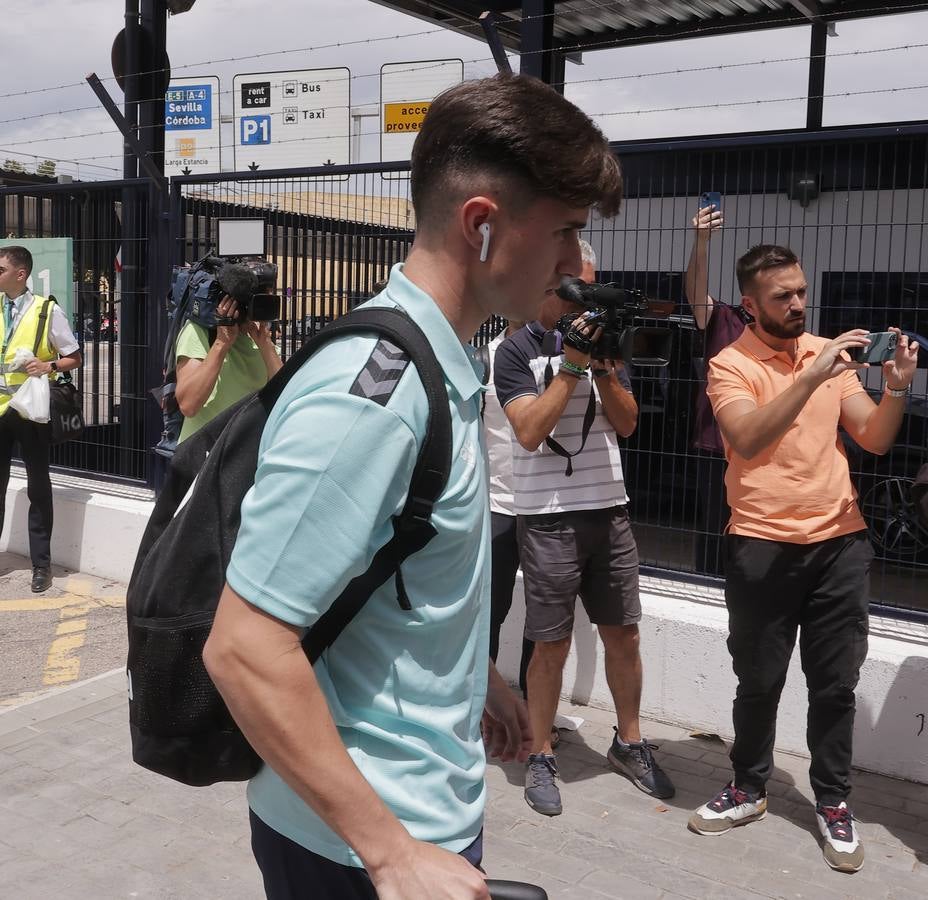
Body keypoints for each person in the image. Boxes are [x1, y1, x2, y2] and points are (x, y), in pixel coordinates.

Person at [203, 74, 624, 900]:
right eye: (568, 232)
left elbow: (402, 566)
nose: (582, 266)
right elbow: (244, 649)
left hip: (415, 818)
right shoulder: (376, 397)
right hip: (357, 847)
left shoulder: (445, 360)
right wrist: (390, 854)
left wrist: (480, 681)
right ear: (482, 225)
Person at [690, 244, 919, 874]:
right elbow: (747, 437)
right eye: (782, 297)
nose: (797, 304)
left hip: (839, 544)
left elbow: (872, 435)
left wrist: (895, 388)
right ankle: (748, 786)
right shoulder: (730, 363)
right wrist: (813, 374)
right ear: (749, 305)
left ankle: (833, 801)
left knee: (835, 686)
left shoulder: (829, 356)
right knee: (758, 680)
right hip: (761, 545)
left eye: (800, 291)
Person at [494, 240, 675, 818]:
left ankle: (630, 740)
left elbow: (626, 424)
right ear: (552, 285)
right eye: (582, 288)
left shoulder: (606, 349)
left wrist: (601, 370)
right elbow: (528, 430)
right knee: (551, 643)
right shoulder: (512, 350)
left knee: (624, 633)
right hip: (547, 515)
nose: (590, 302)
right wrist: (570, 366)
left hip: (609, 507)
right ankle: (540, 752)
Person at [0, 246, 82, 593]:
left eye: (0, 268)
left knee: (38, 487)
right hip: (1, 408)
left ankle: (41, 566)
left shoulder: (46, 310)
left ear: (21, 274)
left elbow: (75, 357)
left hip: (31, 409)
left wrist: (48, 366)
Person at [683, 200, 749, 576]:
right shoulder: (726, 319)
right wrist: (702, 243)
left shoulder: (789, 338)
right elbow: (695, 291)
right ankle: (707, 589)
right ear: (748, 298)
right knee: (715, 531)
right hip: (716, 446)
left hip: (763, 448)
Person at [174, 295, 283, 443]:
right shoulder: (200, 332)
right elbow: (188, 405)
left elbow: (284, 399)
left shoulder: (260, 340)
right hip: (203, 456)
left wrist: (265, 345)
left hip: (245, 455)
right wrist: (222, 342)